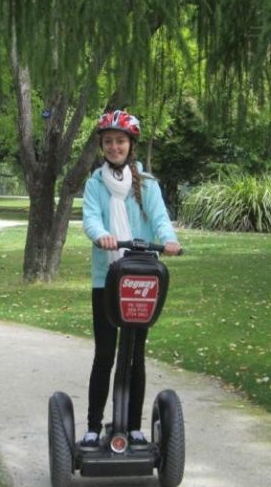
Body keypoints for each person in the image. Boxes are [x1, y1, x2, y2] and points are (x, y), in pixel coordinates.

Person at [80, 110, 182, 451]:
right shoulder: (95, 183)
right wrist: (102, 235)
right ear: (102, 145)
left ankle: (135, 427)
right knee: (105, 354)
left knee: (136, 354)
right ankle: (94, 427)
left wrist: (169, 241)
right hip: (106, 277)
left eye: (120, 141)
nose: (114, 147)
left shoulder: (147, 184)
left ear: (130, 145)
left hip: (141, 277)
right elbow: (91, 217)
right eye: (108, 141)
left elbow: (160, 218)